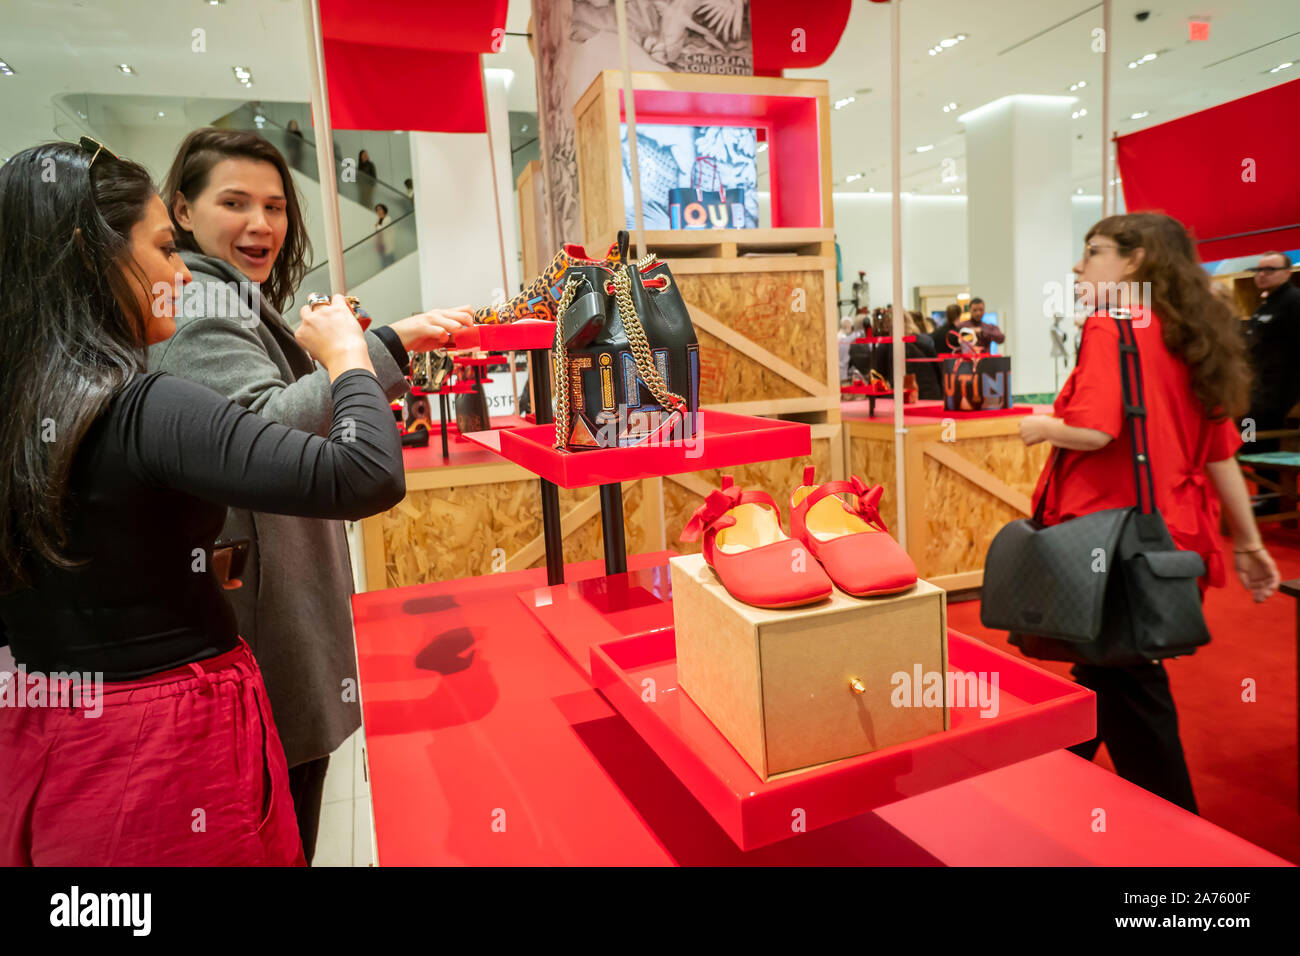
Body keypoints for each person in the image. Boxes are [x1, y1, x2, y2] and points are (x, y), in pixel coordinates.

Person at [0, 140, 405, 865]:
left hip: (49, 733)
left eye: (275, 206)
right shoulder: (146, 407)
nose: (180, 272)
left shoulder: (26, 408)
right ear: (94, 257)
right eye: (163, 247)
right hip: (164, 744)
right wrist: (350, 353)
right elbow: (364, 472)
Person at [150, 128, 472, 863]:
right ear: (183, 211)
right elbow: (263, 432)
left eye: (274, 205)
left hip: (269, 611)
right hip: (258, 621)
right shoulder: (200, 300)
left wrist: (385, 344)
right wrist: (358, 354)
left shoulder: (232, 296)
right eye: (234, 202)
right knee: (277, 821)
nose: (261, 224)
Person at [1017, 212, 1280, 813]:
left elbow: (1095, 430)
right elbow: (1220, 457)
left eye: (1093, 251)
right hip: (1170, 533)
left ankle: (1177, 834)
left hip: (1105, 535)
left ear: (1134, 261)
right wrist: (1248, 542)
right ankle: (1048, 787)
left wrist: (1039, 428)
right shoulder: (1193, 335)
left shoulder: (1112, 326)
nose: (1078, 266)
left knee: (1125, 677)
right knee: (1110, 669)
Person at [1242, 252, 1300, 514]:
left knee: (1262, 442)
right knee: (1249, 439)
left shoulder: (1293, 302)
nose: (1262, 274)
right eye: (1258, 269)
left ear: (1287, 272)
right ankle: (1267, 494)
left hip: (1280, 396)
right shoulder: (1265, 303)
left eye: (1270, 269)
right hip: (1256, 395)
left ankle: (1273, 497)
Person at [870, 309, 942, 400]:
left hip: (903, 398)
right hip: (931, 395)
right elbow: (938, 371)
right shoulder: (925, 341)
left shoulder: (887, 346)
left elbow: (877, 378)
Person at [375, 202, 394, 268]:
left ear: (384, 210)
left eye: (380, 209)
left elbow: (380, 229)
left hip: (387, 242)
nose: (379, 211)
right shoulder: (380, 219)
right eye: (377, 210)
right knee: (384, 261)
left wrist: (378, 223)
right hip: (382, 244)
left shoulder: (388, 219)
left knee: (390, 259)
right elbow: (377, 229)